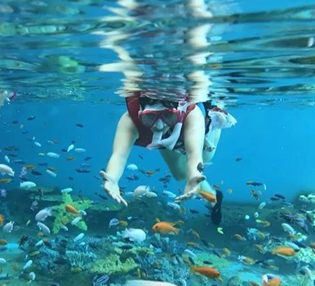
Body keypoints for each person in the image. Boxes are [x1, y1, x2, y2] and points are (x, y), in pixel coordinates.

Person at [100, 92, 236, 226]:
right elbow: (119, 155)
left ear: (178, 110)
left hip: (201, 131)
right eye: (150, 117)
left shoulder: (192, 115)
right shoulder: (130, 120)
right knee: (179, 176)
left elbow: (194, 155)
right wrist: (112, 178)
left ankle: (217, 105)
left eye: (168, 115)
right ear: (140, 112)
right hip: (170, 140)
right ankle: (213, 197)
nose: (159, 126)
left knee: (205, 160)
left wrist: (194, 175)